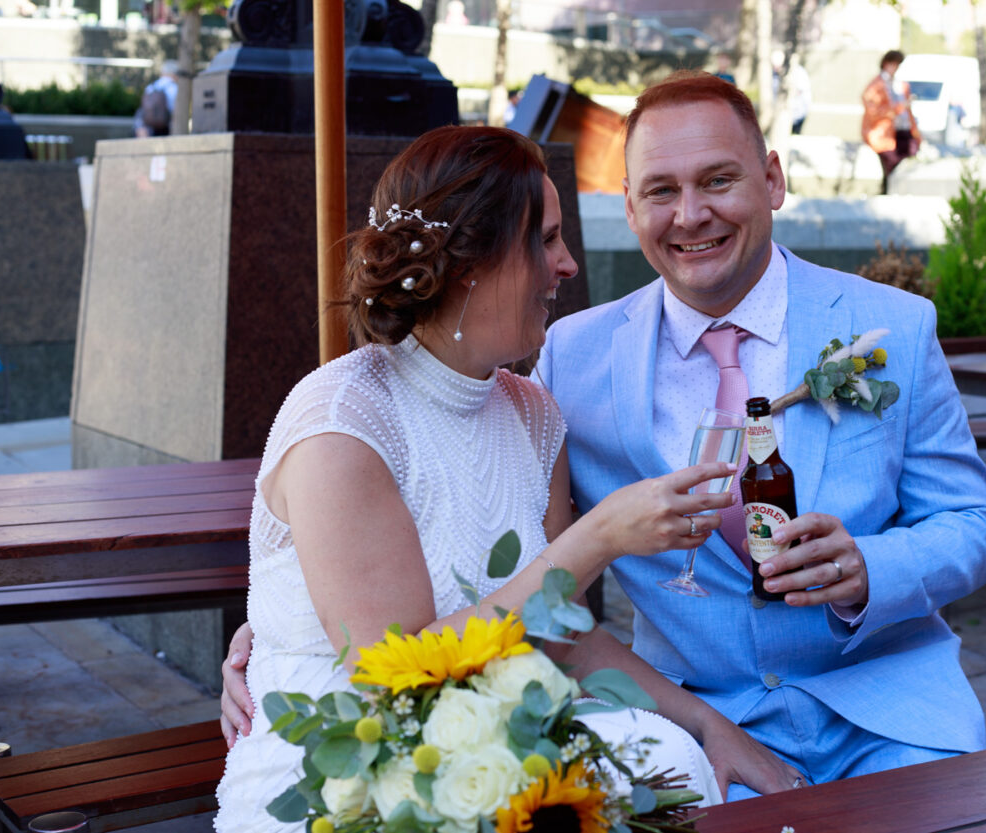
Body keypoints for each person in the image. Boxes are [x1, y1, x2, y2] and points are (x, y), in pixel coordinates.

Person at [214, 125, 797, 831]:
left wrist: (710, 725)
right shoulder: (345, 424)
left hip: (501, 732)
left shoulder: (532, 414)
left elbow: (560, 637)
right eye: (546, 239)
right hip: (354, 766)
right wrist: (600, 536)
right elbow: (401, 676)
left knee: (674, 759)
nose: (568, 263)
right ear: (472, 263)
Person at [533, 71, 986, 800]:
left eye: (718, 180)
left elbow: (973, 524)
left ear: (773, 179)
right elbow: (551, 583)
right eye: (661, 190)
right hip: (698, 725)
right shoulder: (572, 357)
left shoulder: (893, 328)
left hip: (890, 712)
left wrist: (869, 568)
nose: (691, 215)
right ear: (629, 207)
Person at [862, 50, 920, 193]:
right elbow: (873, 111)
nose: (895, 68)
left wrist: (916, 130)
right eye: (893, 64)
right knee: (890, 164)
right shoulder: (877, 86)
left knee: (910, 155)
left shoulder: (900, 85)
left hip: (902, 130)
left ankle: (892, 192)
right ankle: (886, 192)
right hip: (883, 134)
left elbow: (907, 111)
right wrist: (898, 108)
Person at [133, 60, 178, 137]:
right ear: (174, 74)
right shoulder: (174, 88)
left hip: (148, 127)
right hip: (165, 127)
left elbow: (143, 108)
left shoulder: (151, 87)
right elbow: (174, 110)